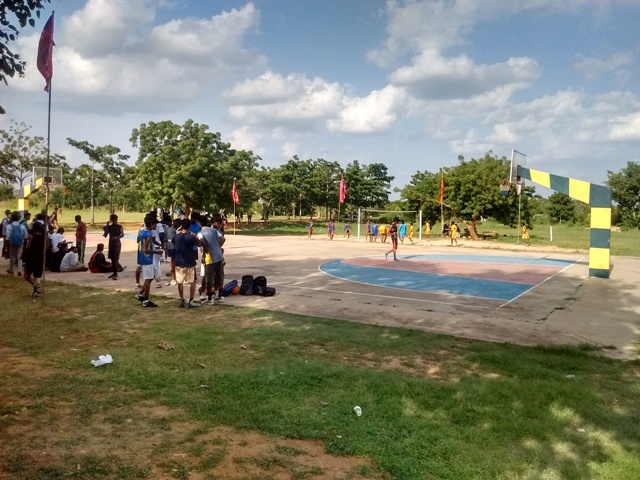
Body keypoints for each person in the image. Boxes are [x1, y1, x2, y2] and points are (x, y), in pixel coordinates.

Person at [173, 218, 200, 308]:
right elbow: (199, 244)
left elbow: (173, 242)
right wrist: (195, 236)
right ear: (189, 227)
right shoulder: (191, 237)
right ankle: (191, 300)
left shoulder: (176, 236)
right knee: (193, 281)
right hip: (189, 261)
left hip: (179, 261)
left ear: (181, 226)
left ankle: (182, 299)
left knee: (180, 282)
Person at [200, 213, 226, 305]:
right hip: (219, 256)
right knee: (219, 275)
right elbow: (223, 238)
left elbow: (201, 241)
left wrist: (205, 247)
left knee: (209, 277)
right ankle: (221, 295)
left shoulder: (200, 232)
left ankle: (210, 298)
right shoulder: (214, 230)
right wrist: (218, 246)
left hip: (209, 257)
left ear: (199, 224)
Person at [134, 217, 158, 307]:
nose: (156, 226)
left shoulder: (142, 231)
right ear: (151, 225)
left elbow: (138, 241)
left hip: (142, 258)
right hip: (147, 259)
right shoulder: (149, 235)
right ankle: (146, 300)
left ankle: (141, 293)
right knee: (148, 279)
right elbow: (145, 250)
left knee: (151, 277)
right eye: (155, 224)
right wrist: (157, 252)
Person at [23, 213, 47, 297]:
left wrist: (25, 253)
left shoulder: (31, 234)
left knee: (26, 275)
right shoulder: (44, 233)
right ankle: (37, 290)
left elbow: (28, 244)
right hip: (40, 256)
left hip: (31, 256)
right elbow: (47, 244)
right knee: (37, 274)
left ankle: (36, 287)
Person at [5, 211, 28, 276]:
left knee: (12, 256)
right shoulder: (22, 226)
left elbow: (7, 237)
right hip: (20, 243)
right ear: (18, 218)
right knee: (19, 256)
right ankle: (19, 271)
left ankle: (11, 270)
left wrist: (6, 246)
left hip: (12, 243)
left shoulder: (9, 226)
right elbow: (25, 236)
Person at [104, 214, 124, 280]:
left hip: (117, 244)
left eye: (116, 220)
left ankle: (115, 273)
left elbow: (122, 234)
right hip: (111, 244)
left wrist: (117, 237)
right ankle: (114, 273)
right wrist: (106, 227)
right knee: (112, 259)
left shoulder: (120, 226)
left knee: (115, 259)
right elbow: (105, 235)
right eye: (114, 220)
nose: (115, 221)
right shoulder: (110, 227)